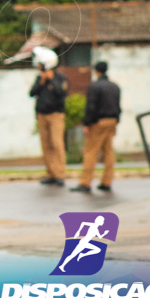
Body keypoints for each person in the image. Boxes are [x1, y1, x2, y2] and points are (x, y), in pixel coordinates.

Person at [72, 61, 121, 193]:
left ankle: (85, 182)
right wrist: (116, 123)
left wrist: (87, 123)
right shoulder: (115, 86)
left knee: (90, 151)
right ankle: (107, 181)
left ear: (96, 71)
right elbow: (118, 106)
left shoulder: (95, 86)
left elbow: (91, 107)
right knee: (108, 152)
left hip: (98, 122)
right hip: (112, 121)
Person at [29, 51, 69, 187]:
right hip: (42, 115)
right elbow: (31, 93)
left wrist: (51, 80)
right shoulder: (40, 77)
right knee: (45, 145)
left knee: (57, 144)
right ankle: (51, 173)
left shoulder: (60, 77)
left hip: (56, 115)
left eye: (40, 64)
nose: (39, 66)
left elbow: (62, 93)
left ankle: (60, 174)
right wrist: (42, 81)